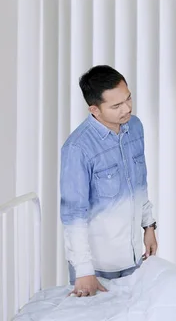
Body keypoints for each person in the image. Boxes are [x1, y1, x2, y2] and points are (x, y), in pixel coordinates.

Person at [60, 65, 157, 297]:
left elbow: (139, 184)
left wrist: (149, 226)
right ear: (94, 109)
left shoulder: (135, 127)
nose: (127, 109)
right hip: (98, 267)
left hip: (133, 258)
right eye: (116, 106)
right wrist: (84, 271)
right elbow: (73, 214)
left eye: (128, 98)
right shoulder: (78, 148)